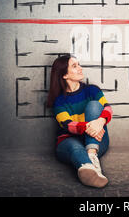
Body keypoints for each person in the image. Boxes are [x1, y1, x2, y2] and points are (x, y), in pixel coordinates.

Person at [47, 54, 112, 188]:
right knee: (75, 147)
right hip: (69, 141)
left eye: (79, 64)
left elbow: (108, 109)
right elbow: (67, 125)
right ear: (64, 75)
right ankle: (89, 169)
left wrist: (99, 122)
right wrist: (90, 127)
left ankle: (91, 154)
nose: (80, 68)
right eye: (74, 66)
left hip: (97, 140)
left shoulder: (92, 90)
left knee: (94, 105)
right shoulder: (59, 101)